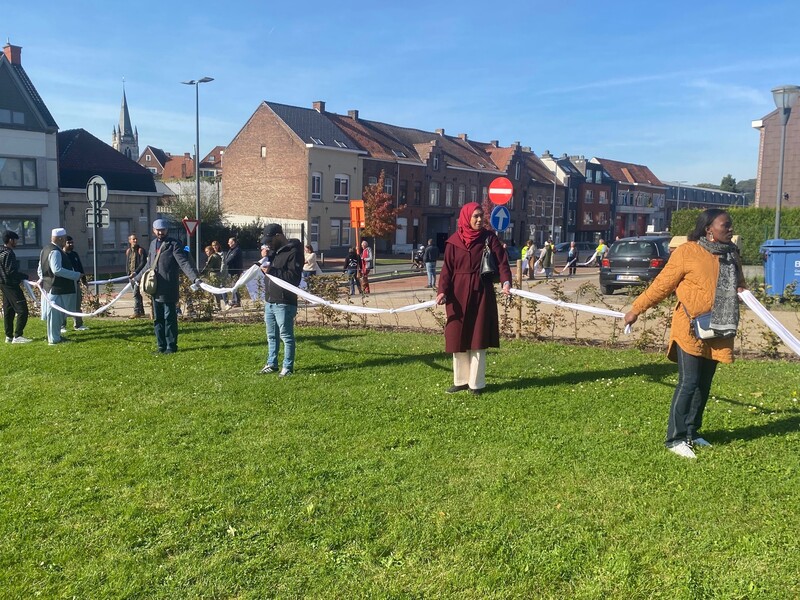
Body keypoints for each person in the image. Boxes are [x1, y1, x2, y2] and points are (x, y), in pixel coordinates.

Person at [624, 209, 746, 459]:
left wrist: (743, 291)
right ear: (709, 229)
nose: (730, 229)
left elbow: (740, 283)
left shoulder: (731, 254)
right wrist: (636, 309)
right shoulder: (687, 252)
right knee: (689, 382)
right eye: (725, 225)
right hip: (690, 328)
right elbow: (662, 284)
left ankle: (692, 431)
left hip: (719, 328)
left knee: (704, 384)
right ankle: (675, 438)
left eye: (730, 225)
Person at [436, 202, 512, 395]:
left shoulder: (489, 238)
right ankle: (461, 380)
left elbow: (502, 263)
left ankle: (476, 384)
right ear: (466, 217)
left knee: (478, 337)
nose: (479, 220)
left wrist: (506, 282)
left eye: (481, 216)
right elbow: (447, 270)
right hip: (457, 295)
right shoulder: (453, 242)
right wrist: (442, 291)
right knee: (457, 336)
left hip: (481, 292)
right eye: (475, 216)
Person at [133, 219, 202, 354]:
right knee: (158, 319)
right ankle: (161, 346)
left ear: (167, 230)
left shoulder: (174, 244)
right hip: (155, 288)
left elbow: (183, 263)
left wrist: (194, 278)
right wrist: (137, 277)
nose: (160, 232)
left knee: (169, 318)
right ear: (154, 230)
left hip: (169, 288)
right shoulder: (153, 244)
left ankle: (171, 346)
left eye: (163, 230)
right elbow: (149, 265)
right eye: (158, 230)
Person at [259, 223, 303, 377]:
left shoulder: (294, 252)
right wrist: (265, 257)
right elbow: (269, 271)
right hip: (270, 300)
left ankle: (287, 367)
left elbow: (294, 278)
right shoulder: (274, 252)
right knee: (271, 336)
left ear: (278, 236)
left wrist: (272, 270)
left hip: (284, 302)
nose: (268, 244)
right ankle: (272, 363)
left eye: (270, 241)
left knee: (286, 336)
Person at [37, 228, 82, 345]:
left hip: (50, 287)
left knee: (55, 316)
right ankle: (54, 339)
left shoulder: (45, 249)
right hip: (57, 289)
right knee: (55, 316)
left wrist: (43, 279)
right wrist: (75, 275)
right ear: (61, 238)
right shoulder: (56, 251)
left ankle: (55, 337)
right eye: (65, 238)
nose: (66, 241)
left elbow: (40, 269)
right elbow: (57, 270)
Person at [0, 230, 31, 343]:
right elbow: (11, 272)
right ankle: (18, 336)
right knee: (22, 310)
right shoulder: (8, 253)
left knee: (9, 310)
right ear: (10, 240)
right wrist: (24, 276)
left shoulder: (1, 252)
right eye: (15, 240)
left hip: (3, 284)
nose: (16, 242)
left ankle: (8, 336)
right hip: (11, 285)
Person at [62, 236, 89, 331]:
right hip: (65, 284)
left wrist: (84, 281)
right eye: (69, 243)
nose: (71, 244)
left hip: (76, 283)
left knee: (77, 304)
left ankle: (78, 324)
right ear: (64, 243)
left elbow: (80, 268)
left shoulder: (75, 254)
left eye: (72, 242)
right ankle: (62, 325)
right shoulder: (61, 255)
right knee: (64, 305)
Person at [126, 233, 148, 318]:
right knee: (137, 294)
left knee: (135, 293)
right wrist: (128, 273)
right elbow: (127, 263)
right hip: (130, 276)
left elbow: (143, 263)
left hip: (138, 275)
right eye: (133, 239)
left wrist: (136, 272)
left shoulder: (140, 250)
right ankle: (141, 311)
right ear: (130, 241)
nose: (135, 240)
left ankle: (136, 311)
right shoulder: (128, 251)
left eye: (136, 239)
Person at [201, 245, 224, 310]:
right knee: (216, 291)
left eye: (207, 251)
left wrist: (201, 274)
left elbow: (208, 266)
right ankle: (217, 306)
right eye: (206, 252)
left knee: (212, 290)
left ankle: (214, 306)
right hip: (218, 274)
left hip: (213, 274)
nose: (206, 253)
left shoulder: (213, 257)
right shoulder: (217, 255)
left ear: (211, 250)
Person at [223, 237, 243, 308]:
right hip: (231, 271)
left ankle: (237, 301)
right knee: (233, 286)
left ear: (233, 242)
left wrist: (223, 263)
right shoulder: (231, 250)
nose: (228, 243)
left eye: (230, 242)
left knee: (235, 286)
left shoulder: (236, 250)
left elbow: (230, 259)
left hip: (235, 271)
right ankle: (235, 300)